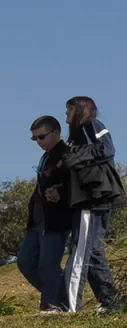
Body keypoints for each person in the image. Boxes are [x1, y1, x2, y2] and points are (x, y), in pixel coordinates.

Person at [61, 97, 125, 313]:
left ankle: (68, 307)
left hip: (93, 199)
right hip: (94, 199)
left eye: (69, 110)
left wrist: (73, 156)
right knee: (94, 251)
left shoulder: (91, 125)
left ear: (80, 110)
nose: (66, 116)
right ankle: (112, 304)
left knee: (80, 251)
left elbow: (107, 149)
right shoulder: (79, 135)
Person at [16, 116, 72, 313]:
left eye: (41, 137)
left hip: (55, 219)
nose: (38, 142)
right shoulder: (46, 157)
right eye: (35, 139)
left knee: (48, 264)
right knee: (25, 261)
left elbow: (77, 183)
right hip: (37, 219)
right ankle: (63, 298)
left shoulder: (66, 154)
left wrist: (61, 193)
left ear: (56, 133)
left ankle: (51, 304)